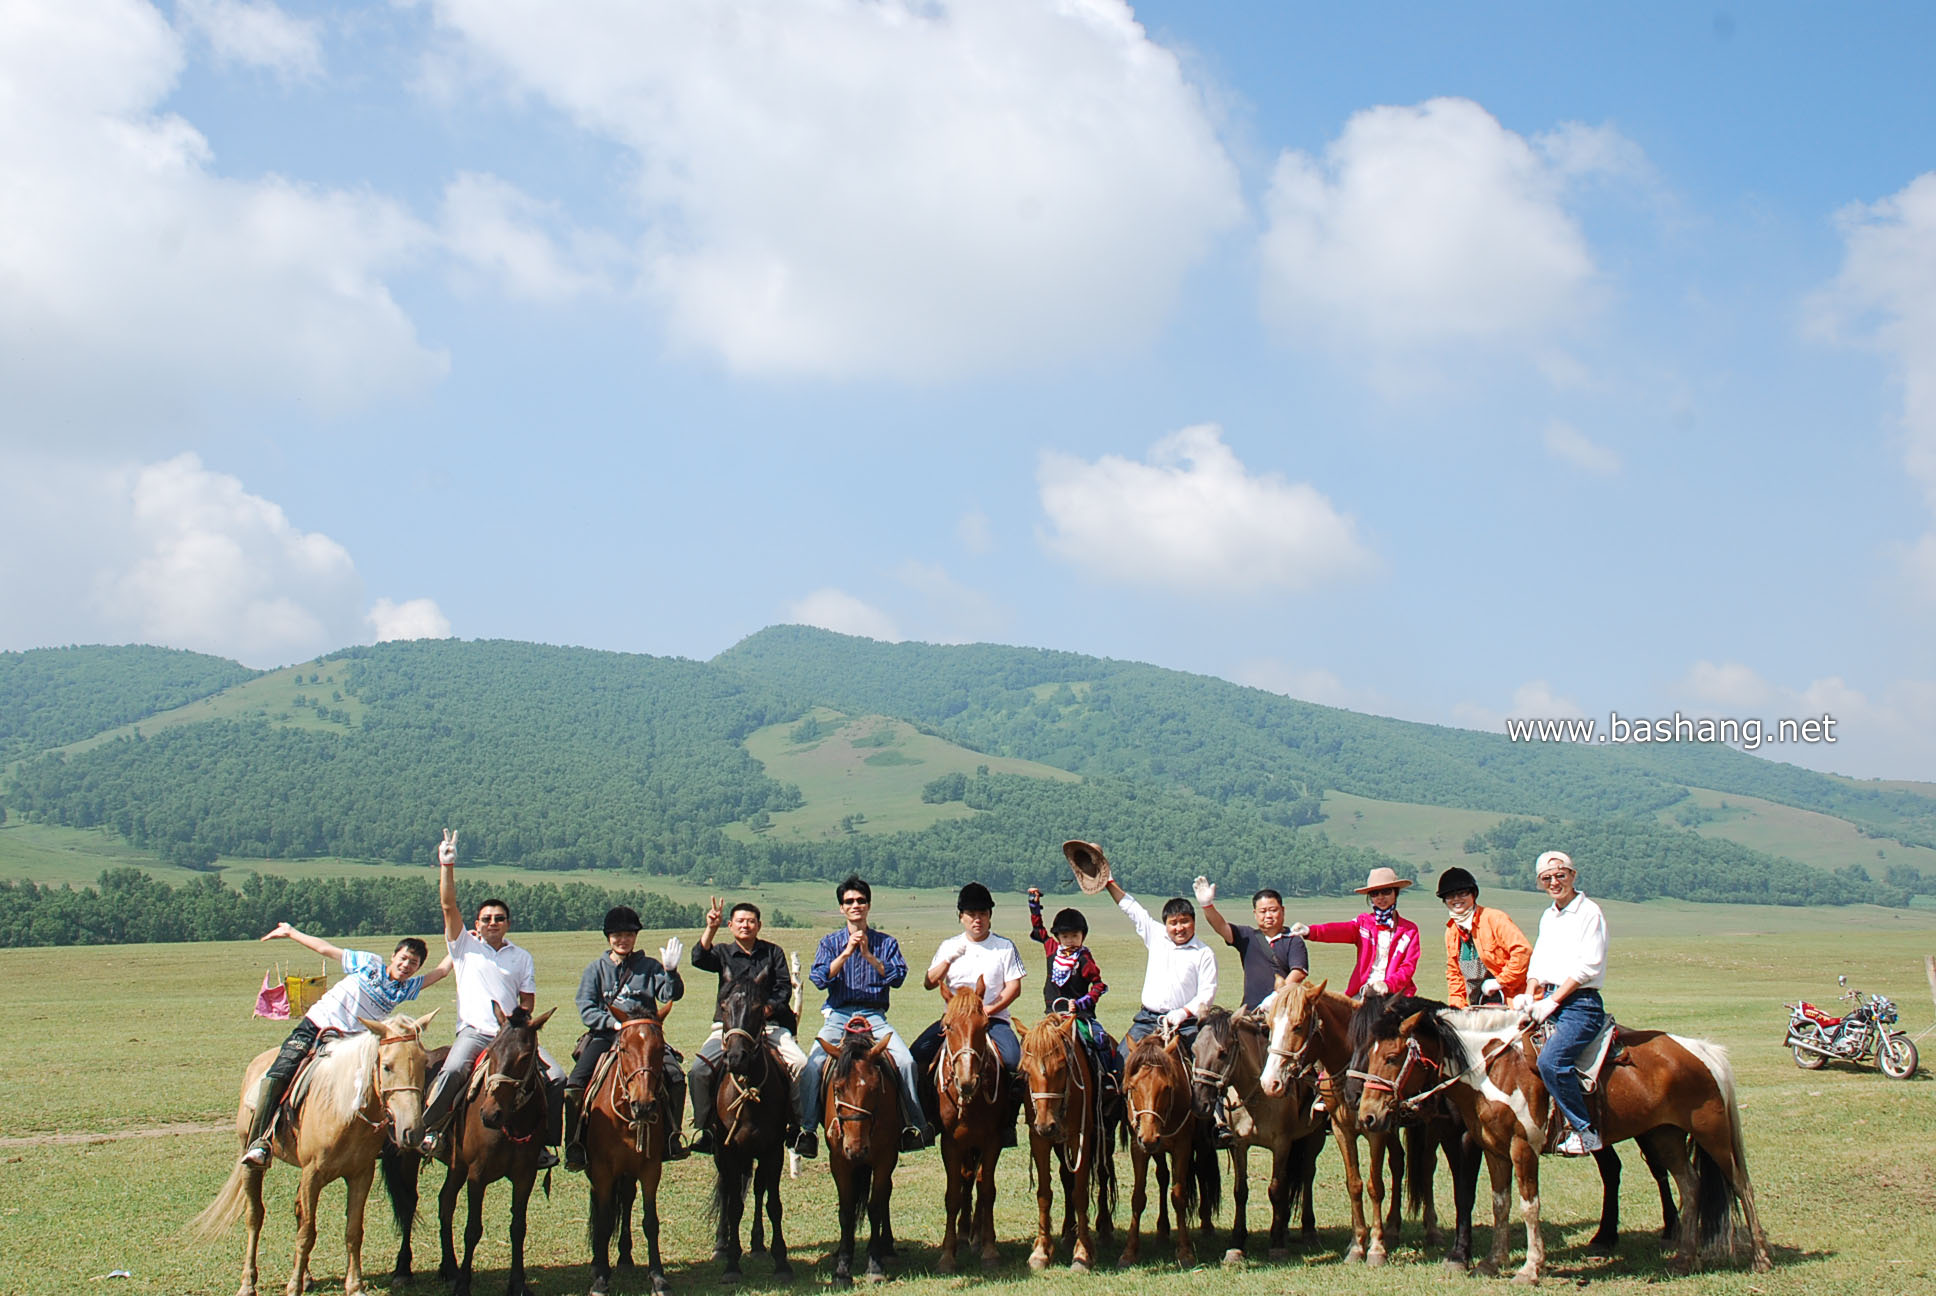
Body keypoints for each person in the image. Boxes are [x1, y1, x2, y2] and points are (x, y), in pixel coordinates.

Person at [239, 923, 451, 1167]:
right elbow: (325, 949)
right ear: (393, 956)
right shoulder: (368, 963)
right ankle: (260, 1143)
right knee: (280, 1073)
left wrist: (463, 943)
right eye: (403, 958)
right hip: (315, 1028)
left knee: (379, 1087)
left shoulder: (406, 989)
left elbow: (443, 970)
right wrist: (290, 932)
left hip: (352, 1046)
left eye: (413, 963)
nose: (406, 966)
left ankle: (370, 1144)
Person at [418, 830, 568, 1167]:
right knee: (454, 1069)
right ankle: (432, 1130)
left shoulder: (521, 957)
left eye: (499, 918)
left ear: (508, 923)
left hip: (511, 1036)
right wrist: (447, 864)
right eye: (486, 919)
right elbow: (447, 904)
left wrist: (518, 1025)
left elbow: (527, 1001)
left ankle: (545, 1143)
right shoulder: (464, 946)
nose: (493, 923)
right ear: (476, 924)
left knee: (557, 1076)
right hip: (474, 1032)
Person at [798, 874, 929, 1152]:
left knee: (905, 1062)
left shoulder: (886, 943)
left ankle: (913, 1126)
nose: (855, 905)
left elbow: (898, 977)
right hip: (839, 1015)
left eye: (861, 900)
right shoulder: (830, 943)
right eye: (849, 901)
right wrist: (846, 953)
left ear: (868, 905)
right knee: (812, 1066)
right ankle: (807, 1130)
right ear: (841, 908)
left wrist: (870, 957)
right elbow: (819, 978)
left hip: (874, 1015)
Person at [563, 905, 688, 1169]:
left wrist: (671, 972)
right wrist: (612, 1024)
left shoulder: (650, 966)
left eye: (629, 935)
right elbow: (586, 1006)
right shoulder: (595, 969)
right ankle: (574, 1143)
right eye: (617, 935)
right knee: (575, 1083)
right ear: (608, 937)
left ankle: (672, 1137)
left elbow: (669, 995)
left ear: (635, 937)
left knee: (675, 1077)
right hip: (607, 1035)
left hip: (644, 1039)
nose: (623, 940)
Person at [686, 896, 810, 1156]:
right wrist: (710, 927)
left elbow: (783, 988)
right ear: (730, 925)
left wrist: (766, 1009)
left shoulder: (772, 953)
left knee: (800, 1064)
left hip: (769, 1026)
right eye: (740, 921)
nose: (746, 925)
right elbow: (698, 958)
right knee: (698, 1071)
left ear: (759, 925)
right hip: (728, 1029)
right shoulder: (721, 952)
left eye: (751, 921)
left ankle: (799, 1126)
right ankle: (705, 1129)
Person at [911, 883, 1027, 1145]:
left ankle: (1007, 1123)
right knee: (916, 1056)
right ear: (961, 916)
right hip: (953, 1021)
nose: (977, 919)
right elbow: (929, 982)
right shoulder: (949, 946)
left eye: (983, 913)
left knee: (1013, 1062)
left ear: (990, 916)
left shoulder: (1004, 947)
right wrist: (948, 960)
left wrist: (988, 1009)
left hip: (991, 1019)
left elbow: (1014, 987)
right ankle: (930, 1120)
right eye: (971, 914)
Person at [1515, 850, 1610, 1156]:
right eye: (1547, 878)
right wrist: (1530, 994)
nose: (1554, 882)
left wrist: (1552, 1001)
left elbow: (1587, 968)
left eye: (1560, 875)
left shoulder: (1589, 913)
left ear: (1573, 875)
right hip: (1549, 998)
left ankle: (1585, 1132)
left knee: (1551, 1062)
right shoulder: (1549, 915)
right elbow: (1539, 963)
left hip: (1580, 1005)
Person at [1101, 874, 1218, 1058]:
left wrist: (1184, 1012)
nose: (1179, 928)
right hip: (1147, 1021)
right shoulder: (1156, 936)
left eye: (1184, 921)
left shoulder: (1204, 953)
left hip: (1186, 1024)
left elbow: (1207, 993)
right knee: (1121, 1062)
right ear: (1166, 925)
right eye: (1173, 923)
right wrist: (1108, 882)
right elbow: (1132, 908)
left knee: (1203, 1071)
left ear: (1194, 922)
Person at [1026, 887, 1120, 1086]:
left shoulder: (1084, 958)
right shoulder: (1052, 949)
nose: (1070, 940)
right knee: (1029, 1043)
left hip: (1079, 1017)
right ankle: (1023, 1082)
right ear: (1059, 937)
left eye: (1075, 936)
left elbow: (1098, 985)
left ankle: (1106, 1079)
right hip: (1052, 1016)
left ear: (1082, 936)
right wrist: (1034, 905)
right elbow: (1039, 929)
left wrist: (1080, 1003)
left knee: (1099, 1039)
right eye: (1066, 936)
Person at [1289, 866, 1422, 999]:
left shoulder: (1409, 930)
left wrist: (1388, 985)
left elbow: (1408, 967)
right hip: (1362, 991)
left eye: (1386, 891)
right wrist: (1310, 931)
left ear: (1396, 893)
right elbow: (1340, 930)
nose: (1380, 897)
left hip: (1396, 994)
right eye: (1375, 893)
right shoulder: (1363, 923)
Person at [1194, 878, 1308, 1010]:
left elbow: (1298, 972)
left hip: (1284, 1011)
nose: (1268, 915)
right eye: (1263, 911)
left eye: (1273, 910)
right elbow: (1221, 927)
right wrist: (1207, 905)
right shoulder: (1247, 936)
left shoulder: (1293, 939)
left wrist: (1277, 997)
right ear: (1255, 914)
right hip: (1251, 1012)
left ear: (1282, 910)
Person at [1435, 866, 1532, 1008]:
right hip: (1477, 1005)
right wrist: (1457, 1008)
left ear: (1473, 894)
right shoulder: (1451, 931)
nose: (1456, 899)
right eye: (1450, 895)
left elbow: (1523, 951)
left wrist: (1501, 981)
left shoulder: (1495, 918)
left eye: (1462, 893)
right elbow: (1454, 974)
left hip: (1513, 1001)